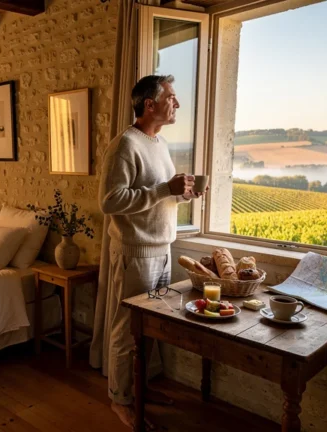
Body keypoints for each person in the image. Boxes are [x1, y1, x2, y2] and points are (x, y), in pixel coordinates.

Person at [90, 74, 207, 430]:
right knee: (128, 328)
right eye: (171, 97)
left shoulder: (160, 143)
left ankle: (139, 387)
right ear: (150, 104)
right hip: (135, 253)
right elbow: (109, 202)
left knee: (150, 326)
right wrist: (162, 190)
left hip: (161, 251)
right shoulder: (124, 144)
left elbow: (157, 190)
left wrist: (180, 192)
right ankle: (120, 399)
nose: (178, 103)